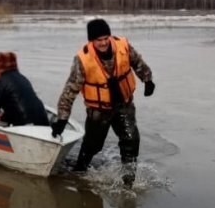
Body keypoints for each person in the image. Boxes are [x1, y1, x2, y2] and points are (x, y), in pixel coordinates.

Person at [51, 18, 155, 186]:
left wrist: (148, 80)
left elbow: (138, 63)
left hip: (124, 104)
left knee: (131, 140)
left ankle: (128, 182)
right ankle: (80, 171)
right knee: (93, 145)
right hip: (98, 110)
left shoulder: (123, 45)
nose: (103, 42)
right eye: (99, 40)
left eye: (106, 37)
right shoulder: (82, 59)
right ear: (92, 40)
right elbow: (70, 90)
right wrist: (62, 118)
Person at [0, 52, 50, 127]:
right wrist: (3, 117)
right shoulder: (22, 78)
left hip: (25, 125)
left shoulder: (2, 83)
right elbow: (14, 102)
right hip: (43, 121)